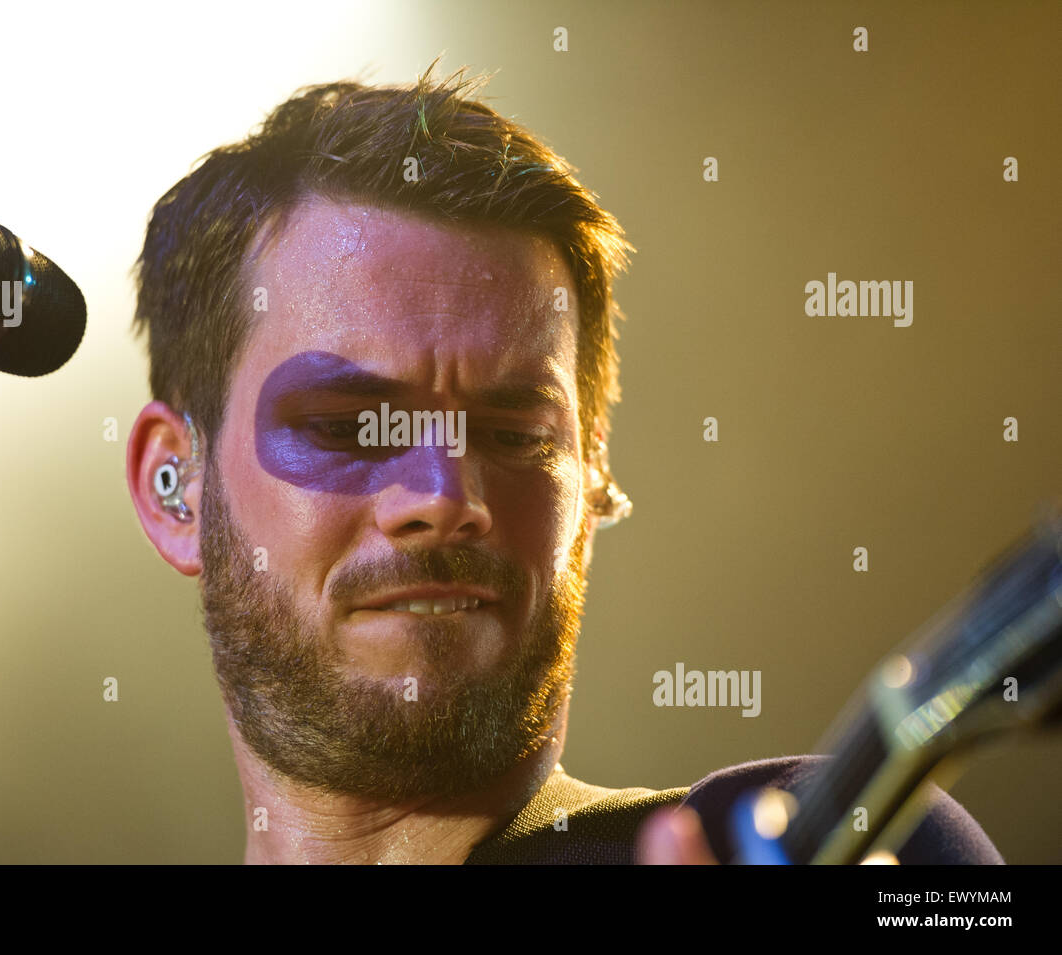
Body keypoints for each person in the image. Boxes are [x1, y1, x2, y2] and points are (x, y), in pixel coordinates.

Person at [124, 62, 1002, 864]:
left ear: (592, 484)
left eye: (516, 436)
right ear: (174, 486)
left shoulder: (827, 834)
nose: (443, 497)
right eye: (351, 426)